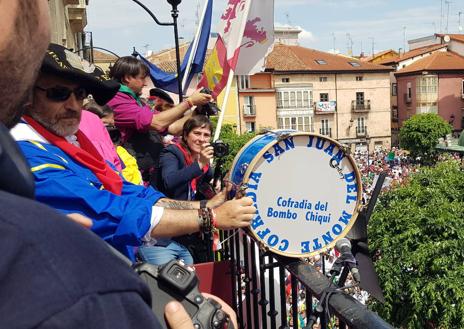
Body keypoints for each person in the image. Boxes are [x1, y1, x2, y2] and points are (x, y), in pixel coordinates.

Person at [11, 42, 255, 263]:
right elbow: (111, 211)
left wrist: (204, 206)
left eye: (80, 94)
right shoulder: (25, 155)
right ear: (26, 95)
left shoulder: (66, 143)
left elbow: (130, 192)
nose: (74, 105)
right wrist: (210, 217)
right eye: (59, 93)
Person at [107, 57, 210, 188]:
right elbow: (158, 123)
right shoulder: (117, 100)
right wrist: (190, 102)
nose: (145, 83)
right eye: (142, 78)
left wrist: (196, 111)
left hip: (146, 173)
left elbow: (172, 127)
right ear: (127, 77)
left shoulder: (135, 101)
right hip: (130, 177)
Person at [138, 115, 215, 265]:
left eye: (206, 135)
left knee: (189, 281)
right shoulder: (172, 153)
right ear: (185, 135)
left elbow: (199, 187)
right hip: (159, 238)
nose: (201, 139)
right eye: (197, 133)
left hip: (181, 237)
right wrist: (199, 164)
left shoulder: (201, 161)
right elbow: (170, 181)